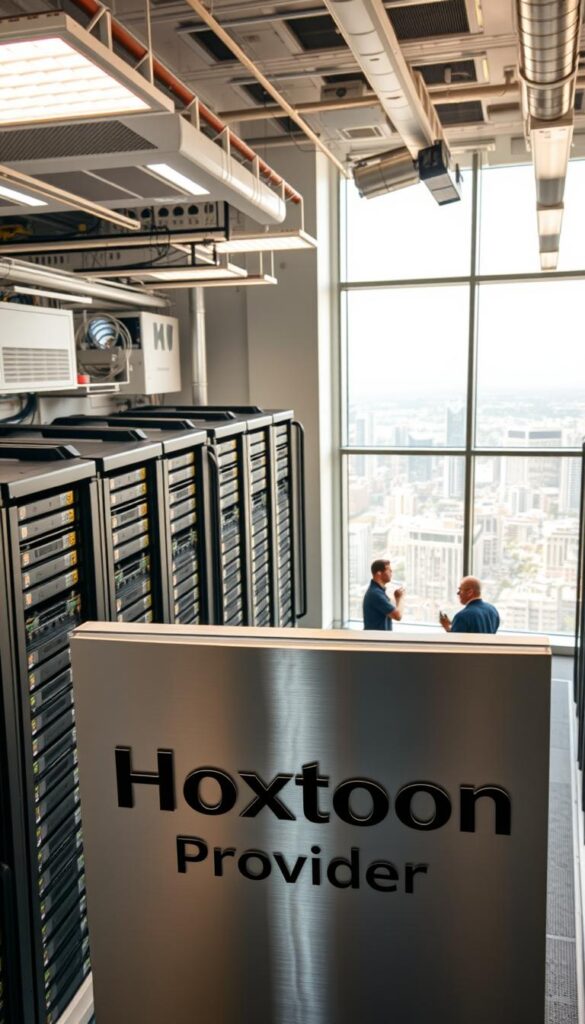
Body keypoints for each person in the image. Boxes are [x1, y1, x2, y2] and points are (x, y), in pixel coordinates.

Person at [363, 559, 405, 631]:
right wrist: (400, 598)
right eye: (388, 570)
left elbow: (391, 610)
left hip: (379, 638)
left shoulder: (377, 591)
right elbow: (398, 616)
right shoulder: (376, 594)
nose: (391, 572)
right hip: (377, 639)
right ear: (379, 573)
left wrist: (397, 597)